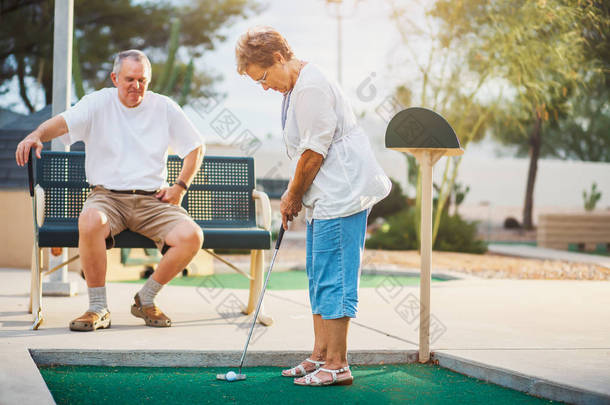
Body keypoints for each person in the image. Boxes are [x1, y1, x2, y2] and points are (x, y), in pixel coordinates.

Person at [235, 27, 391, 386]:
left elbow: (313, 152)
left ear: (277, 58)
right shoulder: (295, 87)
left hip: (342, 194)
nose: (263, 86)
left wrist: (290, 196)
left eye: (262, 78)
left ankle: (337, 364)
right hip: (326, 197)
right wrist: (299, 196)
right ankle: (320, 354)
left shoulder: (311, 86)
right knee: (319, 277)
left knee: (335, 278)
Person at [15, 50, 205, 332]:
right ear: (115, 78)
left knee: (192, 236)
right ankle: (97, 308)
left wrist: (180, 187)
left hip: (152, 200)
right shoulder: (97, 103)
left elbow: (195, 147)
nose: (136, 86)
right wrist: (35, 135)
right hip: (107, 197)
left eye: (142, 80)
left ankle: (146, 297)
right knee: (90, 220)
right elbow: (63, 123)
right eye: (129, 79)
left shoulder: (164, 107)